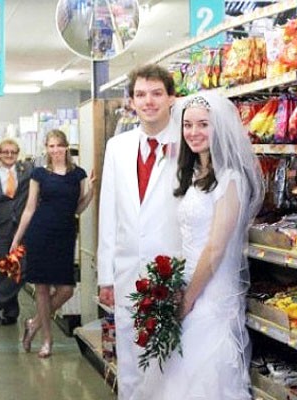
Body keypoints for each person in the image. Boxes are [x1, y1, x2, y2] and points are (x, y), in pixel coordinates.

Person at [134, 93, 264, 400]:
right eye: (188, 125)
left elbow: (216, 248)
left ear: (219, 128)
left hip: (212, 292)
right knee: (178, 378)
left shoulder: (231, 179)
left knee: (203, 376)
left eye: (203, 125)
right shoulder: (196, 176)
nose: (194, 132)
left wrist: (188, 300)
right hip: (189, 283)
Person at [97, 64, 182, 399]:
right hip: (127, 272)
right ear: (131, 101)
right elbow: (109, 214)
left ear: (172, 98)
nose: (149, 102)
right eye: (141, 94)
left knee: (169, 362)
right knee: (130, 360)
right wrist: (106, 275)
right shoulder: (118, 147)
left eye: (157, 93)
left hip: (171, 274)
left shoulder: (186, 143)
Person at [11, 130, 95, 358]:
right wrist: (17, 238)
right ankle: (47, 340)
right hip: (40, 233)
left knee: (66, 289)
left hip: (65, 235)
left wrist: (91, 192)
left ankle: (35, 322)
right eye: (51, 146)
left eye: (59, 145)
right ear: (46, 149)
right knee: (42, 288)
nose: (55, 150)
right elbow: (30, 208)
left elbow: (76, 208)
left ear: (66, 147)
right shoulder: (39, 174)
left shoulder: (78, 174)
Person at [0, 139, 32, 325]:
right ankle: (10, 313)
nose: (9, 155)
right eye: (6, 152)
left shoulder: (27, 173)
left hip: (22, 229)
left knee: (24, 267)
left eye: (13, 152)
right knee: (3, 272)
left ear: (18, 154)